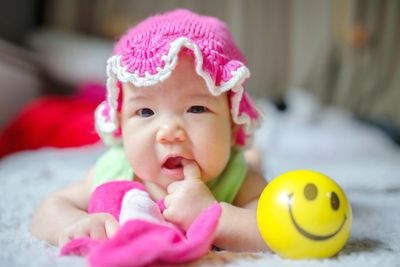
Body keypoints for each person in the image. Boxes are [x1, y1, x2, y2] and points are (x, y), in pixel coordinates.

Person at [31, 8, 268, 252]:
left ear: (232, 124)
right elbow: (50, 208)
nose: (169, 131)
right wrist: (76, 223)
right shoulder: (115, 170)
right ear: (122, 125)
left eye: (196, 109)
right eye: (145, 112)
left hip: (236, 164)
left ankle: (254, 155)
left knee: (252, 160)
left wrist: (212, 216)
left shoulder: (237, 177)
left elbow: (271, 231)